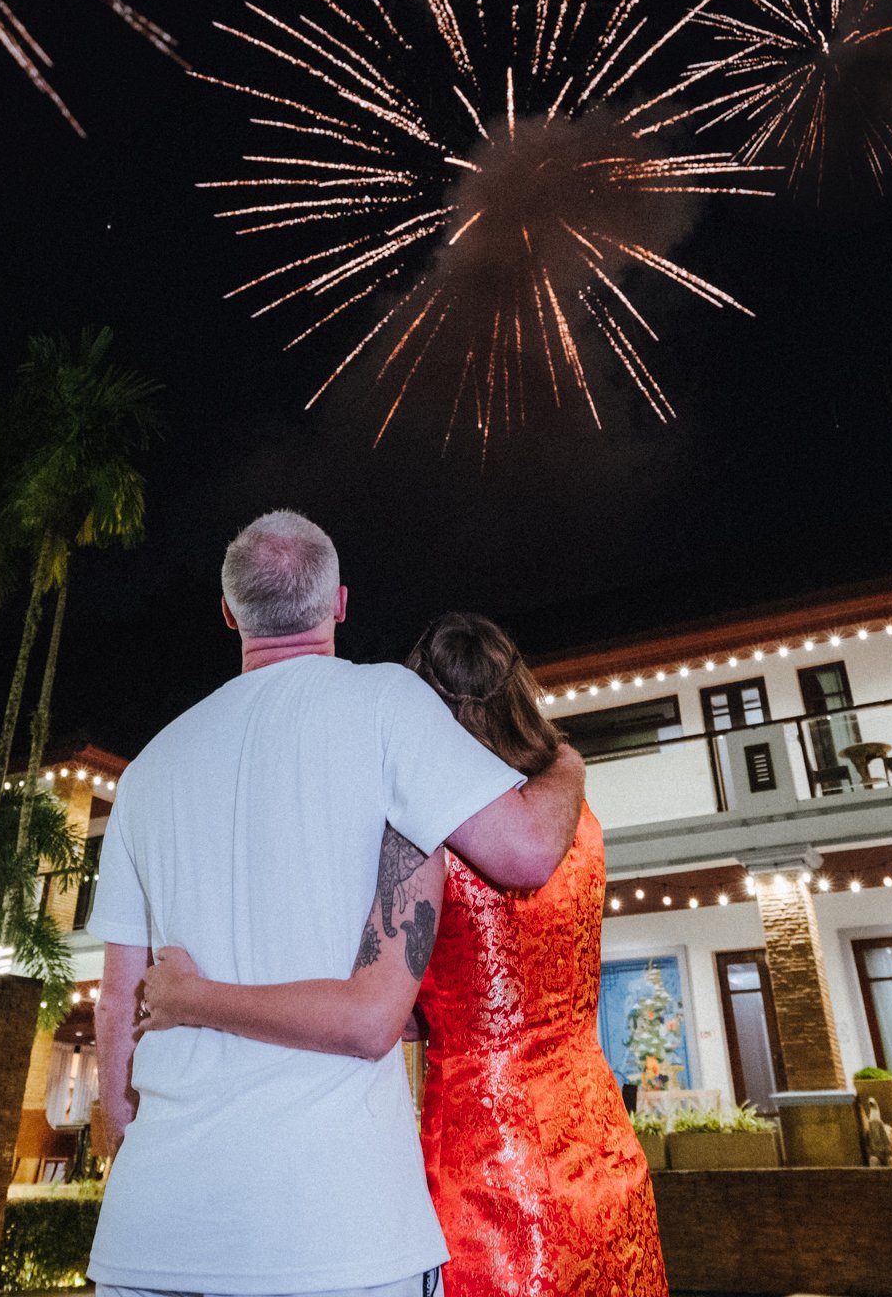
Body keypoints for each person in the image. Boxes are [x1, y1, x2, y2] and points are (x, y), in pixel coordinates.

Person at [86, 512, 586, 1297]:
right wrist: (566, 764)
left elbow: (118, 1002)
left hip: (153, 1230)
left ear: (230, 614)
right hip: (336, 1232)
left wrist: (129, 1151)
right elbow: (525, 852)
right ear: (339, 603)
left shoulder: (148, 769)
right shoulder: (385, 702)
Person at [140, 611, 665, 1297]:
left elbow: (373, 1015)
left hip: (491, 1176)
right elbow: (502, 977)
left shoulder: (419, 833)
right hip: (603, 1148)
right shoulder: (576, 819)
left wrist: (190, 997)